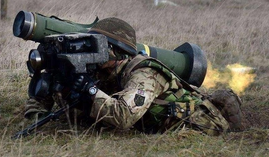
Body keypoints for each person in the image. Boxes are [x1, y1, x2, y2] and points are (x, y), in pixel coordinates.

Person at [24, 17, 245, 135]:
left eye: (99, 46)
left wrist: (89, 91)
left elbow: (123, 117)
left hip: (197, 127)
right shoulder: (104, 69)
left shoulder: (145, 74)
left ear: (117, 51)